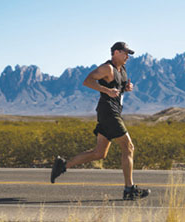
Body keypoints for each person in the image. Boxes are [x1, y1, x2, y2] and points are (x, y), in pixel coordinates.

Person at [50, 42, 150, 200]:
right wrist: (106, 90)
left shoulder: (121, 70)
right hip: (109, 113)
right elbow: (88, 81)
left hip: (111, 113)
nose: (127, 57)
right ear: (116, 52)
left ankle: (63, 165)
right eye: (125, 53)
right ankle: (129, 189)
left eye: (128, 54)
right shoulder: (107, 68)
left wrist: (126, 88)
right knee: (128, 147)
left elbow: (117, 88)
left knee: (99, 153)